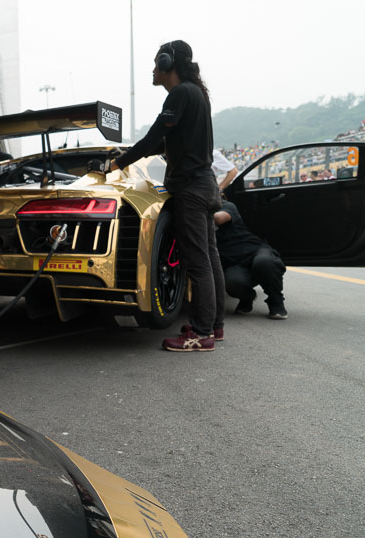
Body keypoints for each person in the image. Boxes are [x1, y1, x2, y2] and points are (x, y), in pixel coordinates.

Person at [109, 40, 224, 352]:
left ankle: (201, 334)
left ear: (166, 63)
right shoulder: (196, 94)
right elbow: (167, 142)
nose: (152, 69)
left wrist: (117, 163)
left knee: (197, 261)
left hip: (190, 187)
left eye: (155, 63)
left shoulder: (181, 93)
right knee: (209, 257)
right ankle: (214, 324)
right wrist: (128, 155)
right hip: (204, 183)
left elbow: (154, 136)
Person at [214, 200, 287, 319]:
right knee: (232, 282)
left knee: (264, 262)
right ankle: (247, 297)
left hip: (255, 251)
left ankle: (276, 302)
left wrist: (196, 213)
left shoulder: (226, 205)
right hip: (234, 263)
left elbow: (219, 219)